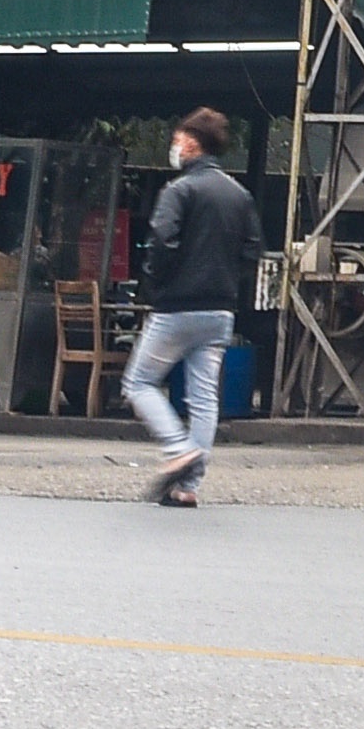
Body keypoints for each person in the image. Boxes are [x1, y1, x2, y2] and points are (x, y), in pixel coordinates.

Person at [126, 108, 257, 508]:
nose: (175, 146)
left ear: (192, 144)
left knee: (139, 383)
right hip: (220, 311)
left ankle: (177, 448)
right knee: (204, 399)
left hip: (177, 307)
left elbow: (162, 241)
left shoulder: (179, 191)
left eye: (179, 139)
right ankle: (188, 486)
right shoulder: (239, 194)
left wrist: (156, 283)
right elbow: (253, 251)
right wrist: (229, 285)